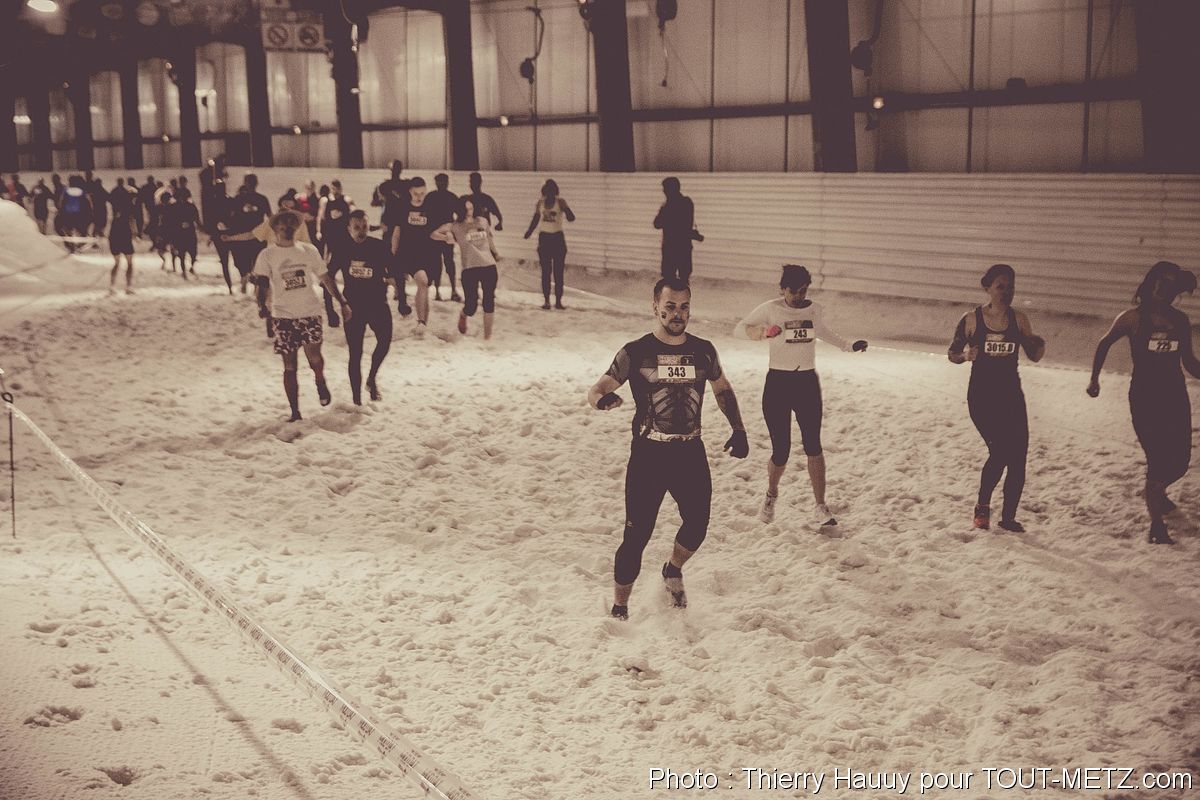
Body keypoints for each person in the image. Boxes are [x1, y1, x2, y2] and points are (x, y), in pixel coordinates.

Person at [588, 278, 749, 620]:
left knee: (698, 524)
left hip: (690, 452)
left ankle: (672, 568)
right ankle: (620, 606)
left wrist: (738, 428)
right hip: (649, 455)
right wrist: (601, 400)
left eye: (684, 307)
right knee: (636, 536)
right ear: (655, 307)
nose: (678, 314)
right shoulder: (635, 352)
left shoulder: (703, 350)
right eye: (670, 306)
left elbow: (722, 389)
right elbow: (597, 388)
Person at [734, 265, 868, 527]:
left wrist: (849, 346)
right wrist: (762, 333)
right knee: (781, 450)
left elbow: (824, 332)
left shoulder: (814, 309)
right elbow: (739, 329)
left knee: (813, 445)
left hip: (806, 383)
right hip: (778, 384)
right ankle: (771, 495)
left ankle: (820, 506)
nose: (798, 296)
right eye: (793, 291)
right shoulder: (771, 309)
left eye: (803, 291)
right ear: (782, 289)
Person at [1087, 261, 1199, 544]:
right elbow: (1104, 342)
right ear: (1151, 283)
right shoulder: (1132, 318)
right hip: (1145, 398)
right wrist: (1094, 380)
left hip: (1175, 397)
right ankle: (1156, 525)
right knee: (1158, 459)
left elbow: (1189, 362)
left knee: (1180, 463)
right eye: (1160, 281)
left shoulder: (1180, 321)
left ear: (1175, 291)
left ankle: (1157, 492)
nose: (1163, 287)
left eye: (1170, 284)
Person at [948, 264, 1046, 533]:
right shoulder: (972, 319)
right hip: (982, 396)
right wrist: (965, 356)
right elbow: (952, 353)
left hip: (1011, 395)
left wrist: (1038, 344)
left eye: (1010, 287)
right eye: (1000, 286)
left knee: (1019, 456)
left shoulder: (1019, 319)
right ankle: (982, 508)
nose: (1006, 292)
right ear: (987, 288)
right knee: (1001, 451)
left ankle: (1009, 517)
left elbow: (1034, 355)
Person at [252, 210, 351, 422]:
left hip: (309, 312)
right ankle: (295, 412)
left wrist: (342, 302)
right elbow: (262, 283)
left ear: (297, 228)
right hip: (283, 315)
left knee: (314, 357)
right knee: (289, 366)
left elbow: (326, 278)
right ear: (275, 228)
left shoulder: (308, 251)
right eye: (283, 224)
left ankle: (319, 379)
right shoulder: (267, 255)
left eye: (291, 223)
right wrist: (261, 305)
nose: (287, 227)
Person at [327, 210, 395, 405]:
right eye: (356, 227)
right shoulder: (341, 248)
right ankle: (357, 400)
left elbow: (393, 271)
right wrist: (336, 305)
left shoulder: (379, 247)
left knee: (385, 342)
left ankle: (371, 379)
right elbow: (328, 278)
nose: (361, 231)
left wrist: (395, 284)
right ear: (349, 228)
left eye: (364, 226)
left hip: (377, 303)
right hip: (353, 306)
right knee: (355, 353)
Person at [433, 196, 500, 339]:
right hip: (470, 268)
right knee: (471, 306)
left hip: (488, 265)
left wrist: (495, 253)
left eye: (471, 208)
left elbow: (489, 238)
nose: (470, 212)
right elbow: (433, 234)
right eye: (466, 209)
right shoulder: (455, 226)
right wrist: (446, 237)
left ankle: (487, 337)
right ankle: (464, 315)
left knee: (489, 302)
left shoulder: (482, 221)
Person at [391, 176, 439, 332]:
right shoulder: (402, 207)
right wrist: (393, 254)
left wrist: (446, 237)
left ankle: (423, 324)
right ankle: (421, 321)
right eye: (416, 193)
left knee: (424, 287)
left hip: (427, 254)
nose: (419, 197)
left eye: (422, 193)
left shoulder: (430, 208)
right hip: (408, 253)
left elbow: (434, 232)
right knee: (423, 282)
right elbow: (397, 233)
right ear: (410, 192)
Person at [523, 179, 576, 310]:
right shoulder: (540, 203)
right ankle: (547, 301)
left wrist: (567, 211)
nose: (550, 195)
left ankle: (558, 301)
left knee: (558, 272)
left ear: (555, 192)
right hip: (545, 239)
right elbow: (535, 219)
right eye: (548, 192)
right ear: (545, 192)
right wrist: (529, 231)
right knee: (546, 272)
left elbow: (571, 217)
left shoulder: (560, 202)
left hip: (557, 238)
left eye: (552, 192)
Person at [373, 160, 413, 316]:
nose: (395, 171)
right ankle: (397, 297)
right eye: (394, 169)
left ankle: (400, 298)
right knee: (389, 262)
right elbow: (376, 202)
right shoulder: (386, 186)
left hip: (399, 228)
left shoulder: (400, 185)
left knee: (397, 263)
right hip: (391, 227)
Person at [223, 174, 272, 295]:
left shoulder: (258, 199)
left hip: (253, 237)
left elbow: (270, 218)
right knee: (243, 263)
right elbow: (271, 217)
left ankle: (251, 284)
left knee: (253, 263)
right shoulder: (241, 199)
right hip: (246, 237)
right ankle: (246, 281)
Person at [316, 179, 354, 326]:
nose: (336, 191)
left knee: (349, 280)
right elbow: (320, 217)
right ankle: (331, 313)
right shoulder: (326, 201)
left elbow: (354, 211)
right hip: (332, 245)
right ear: (331, 189)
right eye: (333, 189)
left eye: (338, 189)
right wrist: (319, 231)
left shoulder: (346, 200)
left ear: (341, 189)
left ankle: (350, 310)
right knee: (328, 280)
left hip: (346, 246)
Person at [654, 177, 703, 282]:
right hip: (684, 246)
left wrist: (664, 209)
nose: (663, 191)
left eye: (665, 189)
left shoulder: (667, 206)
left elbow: (657, 224)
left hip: (670, 247)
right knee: (684, 278)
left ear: (670, 189)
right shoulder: (687, 202)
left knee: (669, 278)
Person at [426, 173, 460, 302]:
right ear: (436, 183)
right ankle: (438, 291)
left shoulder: (450, 197)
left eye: (444, 182)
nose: (442, 184)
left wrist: (455, 229)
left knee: (448, 261)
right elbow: (424, 214)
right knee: (437, 263)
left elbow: (460, 214)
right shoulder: (432, 197)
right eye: (440, 182)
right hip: (436, 235)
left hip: (445, 234)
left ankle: (451, 290)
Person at [107, 178, 137, 293]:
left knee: (117, 263)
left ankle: (112, 286)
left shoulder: (116, 208)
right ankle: (128, 286)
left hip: (114, 235)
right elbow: (132, 221)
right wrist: (135, 233)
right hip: (125, 235)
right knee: (129, 262)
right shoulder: (129, 208)